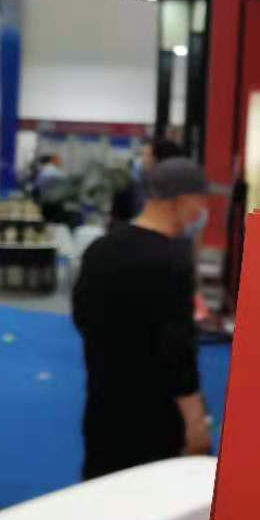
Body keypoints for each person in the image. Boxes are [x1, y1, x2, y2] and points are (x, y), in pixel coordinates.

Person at [73, 157, 212, 480]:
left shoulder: (99, 249)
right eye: (201, 200)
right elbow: (178, 351)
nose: (202, 211)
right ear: (181, 200)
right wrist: (195, 420)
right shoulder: (172, 261)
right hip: (154, 416)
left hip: (103, 404)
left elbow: (82, 318)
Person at [112, 136, 183, 224]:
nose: (143, 160)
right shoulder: (133, 185)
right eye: (142, 155)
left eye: (148, 155)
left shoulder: (177, 189)